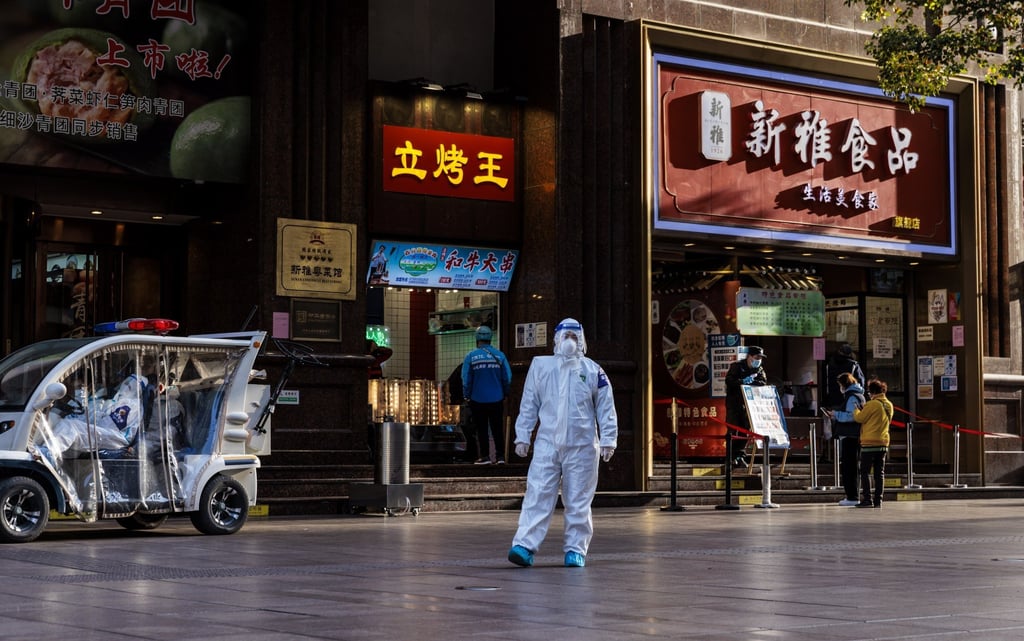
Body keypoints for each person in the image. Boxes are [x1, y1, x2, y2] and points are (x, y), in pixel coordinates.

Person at [507, 318, 618, 568]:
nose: (569, 341)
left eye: (574, 336)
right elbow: (529, 403)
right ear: (556, 339)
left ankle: (575, 549)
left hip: (582, 446)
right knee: (538, 493)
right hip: (547, 444)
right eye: (565, 336)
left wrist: (609, 438)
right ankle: (524, 545)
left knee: (578, 499)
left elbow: (606, 407)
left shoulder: (593, 371)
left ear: (582, 340)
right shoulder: (541, 367)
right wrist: (522, 434)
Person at [34, 374, 147, 467]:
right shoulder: (115, 400)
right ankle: (44, 459)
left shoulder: (131, 405)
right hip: (103, 430)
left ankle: (47, 453)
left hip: (116, 437)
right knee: (60, 427)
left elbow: (110, 426)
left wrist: (87, 423)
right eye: (126, 383)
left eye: (130, 386)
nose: (126, 387)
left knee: (72, 427)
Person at [462, 325, 512, 464]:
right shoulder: (500, 356)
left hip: (477, 399)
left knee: (481, 429)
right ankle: (500, 457)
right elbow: (507, 377)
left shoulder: (471, 357)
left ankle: (485, 457)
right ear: (490, 339)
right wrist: (505, 393)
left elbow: (466, 379)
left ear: (477, 339)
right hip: (497, 398)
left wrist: (467, 395)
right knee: (497, 428)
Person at [823, 372, 865, 506]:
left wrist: (835, 414)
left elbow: (852, 416)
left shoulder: (852, 397)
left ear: (844, 384)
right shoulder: (859, 395)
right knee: (852, 466)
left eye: (840, 385)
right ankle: (853, 495)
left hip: (850, 435)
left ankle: (852, 496)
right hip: (855, 435)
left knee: (849, 467)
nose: (839, 388)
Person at [723, 346, 768, 468]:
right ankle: (730, 458)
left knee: (745, 431)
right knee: (733, 430)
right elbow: (729, 381)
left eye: (760, 358)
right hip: (734, 404)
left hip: (749, 405)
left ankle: (740, 456)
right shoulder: (737, 366)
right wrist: (742, 382)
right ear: (749, 357)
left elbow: (763, 382)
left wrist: (751, 383)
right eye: (756, 357)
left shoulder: (759, 369)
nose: (758, 360)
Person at [853, 378, 893, 508]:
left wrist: (856, 410)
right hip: (883, 443)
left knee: (864, 471)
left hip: (869, 443)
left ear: (873, 392)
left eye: (869, 392)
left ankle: (867, 499)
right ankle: (878, 500)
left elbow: (860, 418)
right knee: (879, 472)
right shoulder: (889, 404)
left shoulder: (872, 404)